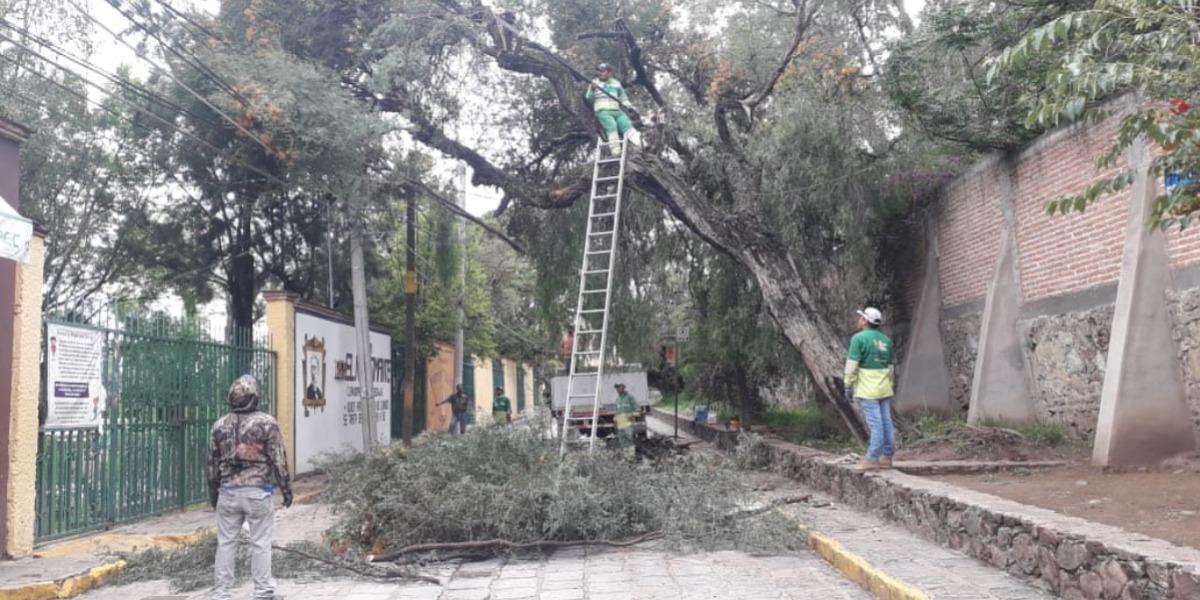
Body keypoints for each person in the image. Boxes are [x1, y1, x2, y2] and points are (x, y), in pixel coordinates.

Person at [207, 374, 293, 600]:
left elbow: (212, 465)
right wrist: (286, 490)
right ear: (254, 397)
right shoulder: (267, 423)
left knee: (225, 543)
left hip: (227, 492)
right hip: (258, 492)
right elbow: (279, 459)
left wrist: (213, 495)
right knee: (260, 543)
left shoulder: (218, 426)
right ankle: (263, 592)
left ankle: (221, 593)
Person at [844, 307, 896, 472]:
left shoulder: (858, 338)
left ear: (866, 321)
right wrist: (890, 384)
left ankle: (872, 458)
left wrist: (848, 384)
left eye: (860, 318)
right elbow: (891, 368)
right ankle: (887, 456)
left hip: (868, 389)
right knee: (886, 423)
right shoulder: (886, 341)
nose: (858, 320)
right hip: (884, 388)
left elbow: (852, 365)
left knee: (876, 425)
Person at [586, 63, 638, 156]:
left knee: (626, 125)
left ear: (609, 73)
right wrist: (593, 90)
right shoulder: (594, 83)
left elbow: (623, 98)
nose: (600, 73)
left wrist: (630, 107)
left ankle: (643, 145)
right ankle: (616, 152)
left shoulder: (616, 83)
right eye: (599, 71)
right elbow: (588, 98)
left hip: (616, 110)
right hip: (602, 110)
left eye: (602, 71)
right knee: (612, 126)